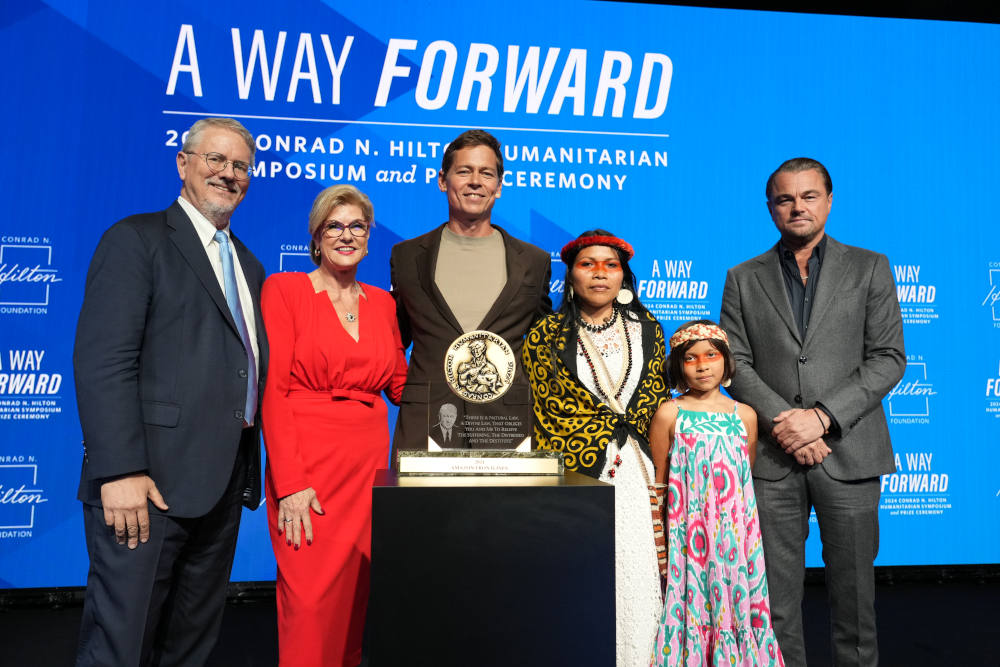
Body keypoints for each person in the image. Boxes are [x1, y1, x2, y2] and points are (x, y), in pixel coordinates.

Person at [73, 117, 266, 666]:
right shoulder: (136, 240)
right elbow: (103, 360)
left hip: (221, 490)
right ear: (183, 165)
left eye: (240, 166)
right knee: (121, 645)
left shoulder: (248, 264)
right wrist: (118, 470)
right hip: (145, 487)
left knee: (189, 648)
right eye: (215, 160)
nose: (228, 174)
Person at [719, 158, 905, 666]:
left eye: (807, 196)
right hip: (773, 460)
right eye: (784, 198)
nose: (796, 207)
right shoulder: (742, 277)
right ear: (770, 207)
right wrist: (790, 424)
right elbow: (735, 364)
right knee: (775, 602)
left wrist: (820, 418)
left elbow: (888, 358)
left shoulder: (870, 266)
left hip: (849, 452)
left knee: (854, 600)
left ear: (828, 200)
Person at [261, 185, 407, 666]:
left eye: (357, 226)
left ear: (369, 238)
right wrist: (291, 483)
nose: (346, 236)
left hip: (366, 468)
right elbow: (273, 393)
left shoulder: (384, 304)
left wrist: (473, 381)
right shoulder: (284, 291)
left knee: (351, 601)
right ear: (316, 237)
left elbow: (402, 386)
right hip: (308, 467)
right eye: (334, 226)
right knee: (307, 601)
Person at [522, 230, 668, 667]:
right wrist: (597, 438)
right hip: (577, 474)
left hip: (639, 473)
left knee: (639, 578)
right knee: (581, 580)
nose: (600, 273)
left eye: (611, 264)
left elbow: (655, 401)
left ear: (624, 275)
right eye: (588, 264)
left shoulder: (647, 328)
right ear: (570, 274)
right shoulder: (545, 334)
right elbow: (544, 410)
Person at [391, 129, 551, 451]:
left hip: (505, 424)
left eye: (486, 173)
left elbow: (541, 345)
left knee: (501, 505)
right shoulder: (407, 257)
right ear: (442, 180)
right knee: (418, 504)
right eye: (464, 171)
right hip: (427, 420)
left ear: (499, 186)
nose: (475, 181)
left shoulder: (534, 261)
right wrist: (405, 390)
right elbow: (394, 338)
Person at [648, 321, 784, 667]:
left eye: (711, 355)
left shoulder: (746, 415)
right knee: (694, 603)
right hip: (689, 537)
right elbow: (659, 485)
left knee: (739, 604)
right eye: (691, 359)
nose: (703, 365)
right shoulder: (669, 413)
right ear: (678, 366)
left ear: (726, 360)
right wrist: (660, 547)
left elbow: (744, 476)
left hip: (736, 538)